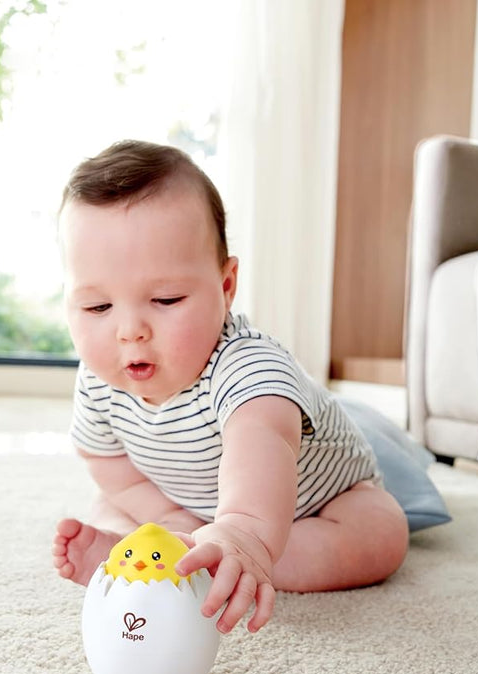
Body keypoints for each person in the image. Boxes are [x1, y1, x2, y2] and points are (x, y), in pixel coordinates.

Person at [51, 139, 409, 635]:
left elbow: (262, 441)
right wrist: (169, 519)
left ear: (225, 286)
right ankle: (157, 551)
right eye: (97, 307)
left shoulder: (246, 367)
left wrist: (245, 532)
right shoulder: (98, 382)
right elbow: (108, 462)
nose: (130, 331)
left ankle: (224, 558)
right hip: (190, 505)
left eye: (166, 299)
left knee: (380, 530)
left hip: (312, 506)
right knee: (110, 504)